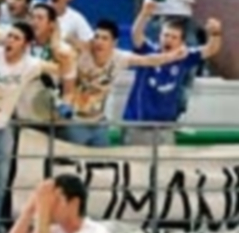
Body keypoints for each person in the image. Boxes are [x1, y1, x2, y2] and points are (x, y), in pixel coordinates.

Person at [63, 19, 187, 147]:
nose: (99, 42)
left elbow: (149, 60)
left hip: (99, 123)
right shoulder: (81, 54)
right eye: (97, 37)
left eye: (105, 38)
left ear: (114, 43)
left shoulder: (120, 58)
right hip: (75, 122)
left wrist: (173, 56)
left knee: (103, 163)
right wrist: (80, 43)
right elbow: (64, 38)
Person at [122, 2, 222, 146]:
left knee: (165, 167)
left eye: (174, 37)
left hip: (165, 126)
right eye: (165, 35)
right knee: (137, 166)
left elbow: (211, 49)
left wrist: (215, 33)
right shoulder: (149, 51)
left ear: (181, 42)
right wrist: (144, 14)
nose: (168, 39)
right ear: (160, 36)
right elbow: (136, 35)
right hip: (139, 123)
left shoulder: (183, 56)